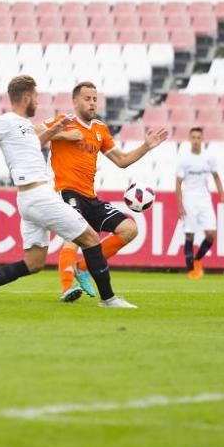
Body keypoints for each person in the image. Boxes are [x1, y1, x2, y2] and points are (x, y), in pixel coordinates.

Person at [0, 75, 135, 308]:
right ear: (26, 97)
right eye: (36, 98)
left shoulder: (23, 126)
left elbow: (32, 144)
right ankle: (108, 299)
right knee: (91, 239)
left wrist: (55, 131)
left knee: (33, 263)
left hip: (29, 199)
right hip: (38, 196)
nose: (38, 103)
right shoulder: (6, 121)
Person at [47, 82, 168, 302]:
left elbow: (122, 161)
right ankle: (67, 287)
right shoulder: (64, 122)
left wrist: (146, 146)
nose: (92, 102)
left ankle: (83, 267)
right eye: (87, 98)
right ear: (75, 101)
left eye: (94, 98)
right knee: (74, 237)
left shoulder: (100, 129)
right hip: (66, 192)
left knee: (129, 229)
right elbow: (36, 133)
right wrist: (63, 135)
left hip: (90, 197)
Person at [175, 127, 224, 279]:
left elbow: (216, 176)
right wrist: (180, 205)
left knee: (211, 235)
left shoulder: (209, 158)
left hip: (205, 199)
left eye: (199, 137)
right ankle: (191, 270)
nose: (196, 140)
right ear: (189, 139)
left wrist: (222, 195)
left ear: (202, 139)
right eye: (194, 137)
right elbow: (178, 183)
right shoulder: (184, 160)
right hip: (189, 199)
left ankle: (197, 259)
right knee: (189, 234)